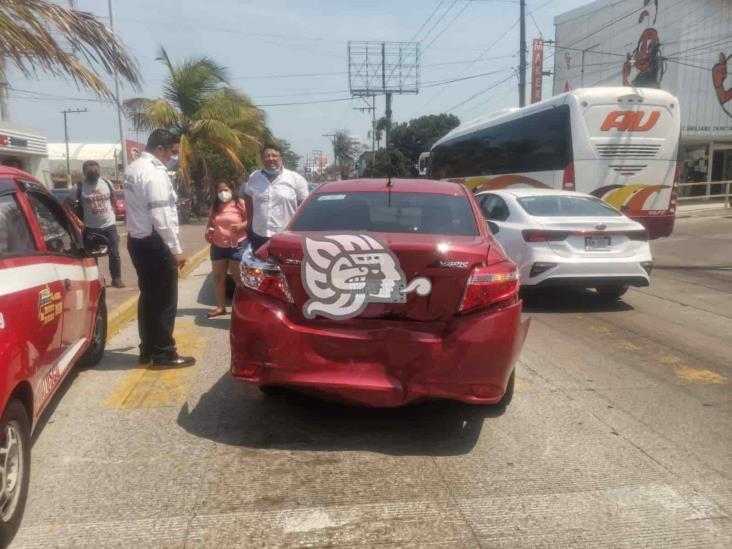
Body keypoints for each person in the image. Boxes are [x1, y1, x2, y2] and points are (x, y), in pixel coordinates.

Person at [125, 129, 195, 367]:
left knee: (149, 299)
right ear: (160, 149)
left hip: (138, 241)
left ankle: (148, 350)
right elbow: (160, 214)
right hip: (156, 242)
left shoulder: (134, 168)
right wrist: (175, 248)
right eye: (172, 152)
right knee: (165, 300)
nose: (173, 157)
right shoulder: (153, 173)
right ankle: (164, 353)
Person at [239, 143, 309, 250]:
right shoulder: (254, 177)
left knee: (284, 266)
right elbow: (248, 196)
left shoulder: (295, 179)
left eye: (274, 155)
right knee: (260, 266)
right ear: (262, 159)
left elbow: (305, 204)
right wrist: (249, 219)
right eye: (267, 156)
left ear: (281, 158)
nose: (271, 159)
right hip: (259, 234)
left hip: (286, 236)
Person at [70, 160, 124, 288]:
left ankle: (116, 279)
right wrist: (76, 220)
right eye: (91, 172)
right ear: (85, 173)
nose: (94, 174)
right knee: (92, 257)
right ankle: (94, 282)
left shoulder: (106, 183)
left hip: (109, 226)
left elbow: (113, 198)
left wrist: (114, 210)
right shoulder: (79, 187)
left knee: (114, 254)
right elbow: (66, 205)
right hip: (90, 228)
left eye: (96, 172)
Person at [205, 180, 248, 318]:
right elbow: (210, 223)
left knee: (238, 279)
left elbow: (250, 220)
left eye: (226, 189)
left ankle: (243, 308)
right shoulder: (215, 207)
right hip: (218, 246)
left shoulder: (240, 203)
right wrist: (208, 232)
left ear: (231, 190)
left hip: (237, 245)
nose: (223, 193)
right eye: (219, 191)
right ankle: (220, 307)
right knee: (218, 277)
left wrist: (241, 226)